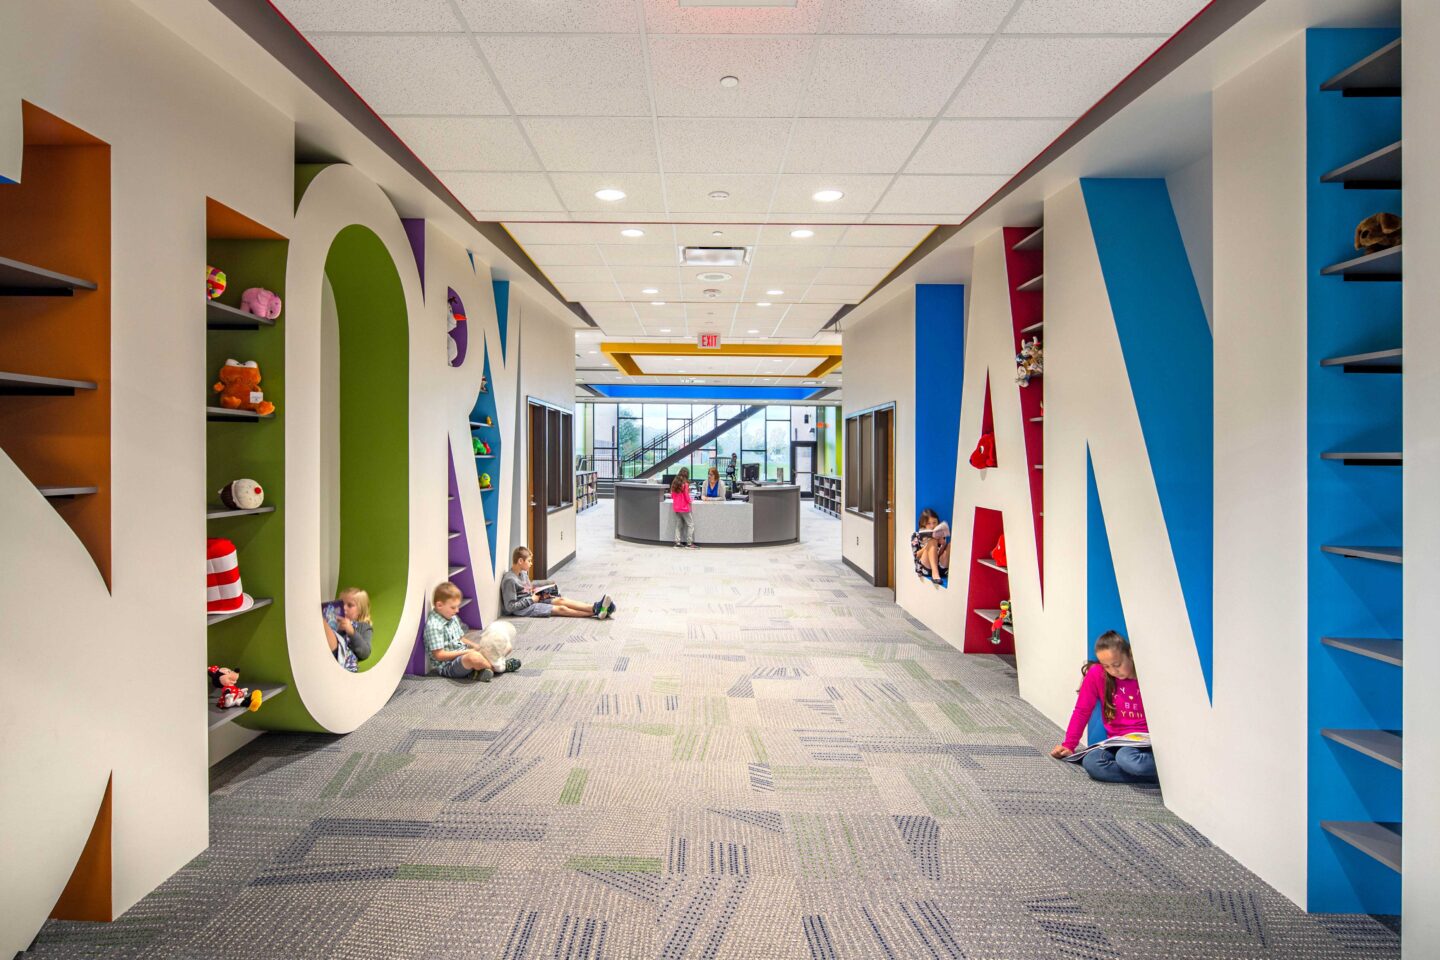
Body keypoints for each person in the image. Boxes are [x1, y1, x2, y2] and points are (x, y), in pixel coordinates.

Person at [1050, 631, 1157, 784]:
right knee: (1092, 763)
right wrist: (1069, 744)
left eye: (1117, 665)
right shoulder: (1096, 674)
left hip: (1146, 742)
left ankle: (1165, 773)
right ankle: (1156, 777)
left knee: (1127, 759)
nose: (1113, 671)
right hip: (1118, 741)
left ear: (1130, 655)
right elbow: (1082, 711)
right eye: (1106, 666)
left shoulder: (1148, 674)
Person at [501, 546, 613, 618]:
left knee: (561, 600)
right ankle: (597, 612)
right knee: (561, 609)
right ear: (520, 561)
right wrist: (531, 599)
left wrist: (546, 586)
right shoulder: (510, 580)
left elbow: (528, 587)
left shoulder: (523, 573)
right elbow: (510, 607)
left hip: (533, 598)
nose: (531, 564)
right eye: (529, 561)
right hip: (524, 609)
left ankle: (595, 607)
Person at [425, 581, 501, 681]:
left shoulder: (451, 616)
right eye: (453, 607)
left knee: (490, 645)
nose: (457, 611)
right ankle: (499, 668)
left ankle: (479, 671)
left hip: (462, 654)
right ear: (439, 605)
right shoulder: (434, 626)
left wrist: (476, 646)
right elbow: (439, 655)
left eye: (457, 606)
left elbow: (460, 638)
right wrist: (468, 651)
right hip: (449, 665)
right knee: (473, 657)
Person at [322, 587, 374, 672]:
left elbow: (365, 652)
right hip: (325, 652)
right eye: (341, 604)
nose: (344, 608)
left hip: (345, 657)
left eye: (350, 605)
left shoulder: (363, 626)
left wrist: (352, 632)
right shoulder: (334, 620)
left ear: (360, 611)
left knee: (322, 621)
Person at [912, 508, 951, 583]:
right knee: (932, 541)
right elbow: (916, 555)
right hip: (925, 567)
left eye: (934, 522)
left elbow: (938, 555)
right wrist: (928, 545)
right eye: (928, 523)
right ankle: (935, 574)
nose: (932, 526)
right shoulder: (916, 536)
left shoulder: (940, 534)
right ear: (923, 523)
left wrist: (943, 544)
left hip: (939, 566)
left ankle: (939, 573)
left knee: (950, 545)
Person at [670, 473, 695, 548]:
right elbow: (686, 496)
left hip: (677, 509)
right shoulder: (685, 485)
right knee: (690, 525)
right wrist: (690, 501)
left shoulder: (674, 487)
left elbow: (672, 496)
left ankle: (677, 543)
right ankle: (689, 544)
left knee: (678, 526)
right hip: (684, 508)